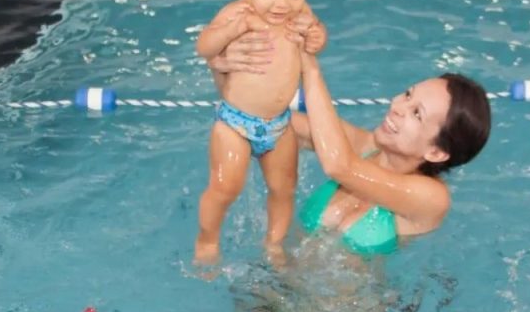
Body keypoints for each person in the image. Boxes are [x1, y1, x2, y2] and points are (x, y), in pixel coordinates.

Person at [211, 32, 492, 253]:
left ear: (436, 152)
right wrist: (222, 64)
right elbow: (257, 119)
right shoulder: (362, 147)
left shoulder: (431, 198)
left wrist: (310, 69)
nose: (397, 106)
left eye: (416, 113)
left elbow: (339, 166)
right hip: (274, 291)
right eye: (407, 95)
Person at [194, 0, 326, 264]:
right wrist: (232, 30)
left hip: (279, 124)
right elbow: (204, 46)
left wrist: (316, 37)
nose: (282, 4)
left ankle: (274, 244)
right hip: (234, 123)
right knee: (225, 188)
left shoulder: (302, 15)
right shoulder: (238, 13)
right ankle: (207, 241)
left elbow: (318, 36)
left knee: (284, 189)